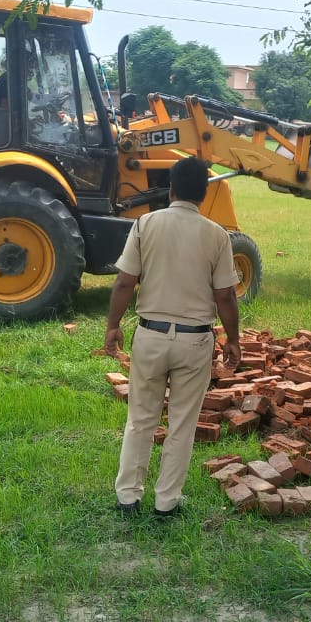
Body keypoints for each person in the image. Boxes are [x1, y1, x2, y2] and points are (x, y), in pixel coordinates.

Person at [105, 157, 242, 517]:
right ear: (204, 193)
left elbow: (125, 282)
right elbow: (225, 295)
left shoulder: (145, 224)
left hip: (150, 335)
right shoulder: (217, 235)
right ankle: (167, 502)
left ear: (171, 189)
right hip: (194, 341)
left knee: (141, 419)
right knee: (182, 424)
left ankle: (128, 497)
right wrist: (233, 339)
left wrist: (113, 325)